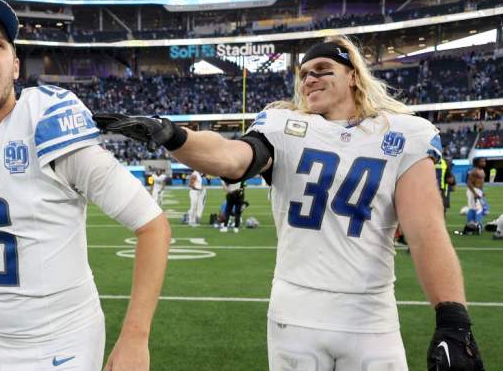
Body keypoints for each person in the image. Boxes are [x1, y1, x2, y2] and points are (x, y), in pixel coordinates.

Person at [95, 36, 484, 371]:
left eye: (321, 68)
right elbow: (232, 158)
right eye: (303, 73)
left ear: (352, 74)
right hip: (296, 314)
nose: (309, 78)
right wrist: (172, 134)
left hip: (370, 316)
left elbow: (426, 230)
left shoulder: (401, 132)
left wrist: (454, 319)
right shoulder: (284, 126)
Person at [0, 0, 170, 371]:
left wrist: (134, 337)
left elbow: (152, 225)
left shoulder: (46, 123)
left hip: (65, 340)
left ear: (14, 66)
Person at [463, 157, 487, 234]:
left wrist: (481, 192)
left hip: (478, 191)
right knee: (477, 209)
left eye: (484, 161)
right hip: (473, 191)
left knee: (476, 208)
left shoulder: (482, 170)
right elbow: (469, 183)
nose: (484, 163)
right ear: (477, 163)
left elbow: (481, 183)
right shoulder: (474, 171)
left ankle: (473, 225)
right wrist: (475, 193)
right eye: (482, 161)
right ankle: (474, 225)